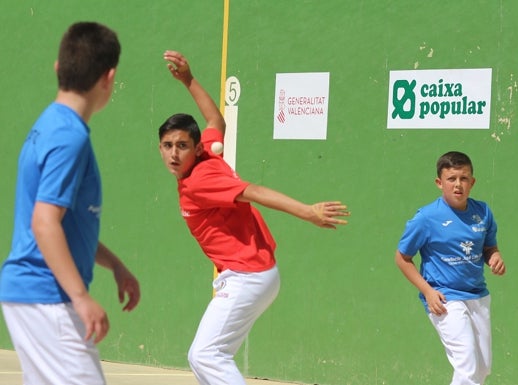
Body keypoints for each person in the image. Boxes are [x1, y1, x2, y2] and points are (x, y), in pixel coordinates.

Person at [157, 50, 349, 385]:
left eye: (182, 146)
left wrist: (307, 211)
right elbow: (216, 121)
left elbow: (254, 191)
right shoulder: (208, 156)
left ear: (197, 149)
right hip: (253, 273)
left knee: (205, 355)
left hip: (247, 276)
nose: (174, 153)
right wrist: (188, 79)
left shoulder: (201, 181)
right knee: (210, 357)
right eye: (167, 145)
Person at [0, 22, 141, 385]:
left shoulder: (49, 124)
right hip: (48, 297)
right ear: (109, 78)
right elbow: (44, 224)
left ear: (58, 68)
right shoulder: (69, 137)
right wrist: (81, 297)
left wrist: (115, 265)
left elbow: (65, 226)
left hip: (32, 295)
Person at [394, 151, 506, 385]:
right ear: (439, 183)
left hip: (478, 296)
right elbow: (402, 257)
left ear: (472, 182)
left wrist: (494, 256)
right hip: (445, 298)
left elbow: (489, 247)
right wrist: (427, 291)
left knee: (482, 368)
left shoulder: (482, 213)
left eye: (463, 179)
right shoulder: (426, 217)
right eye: (451, 179)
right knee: (467, 363)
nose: (458, 185)